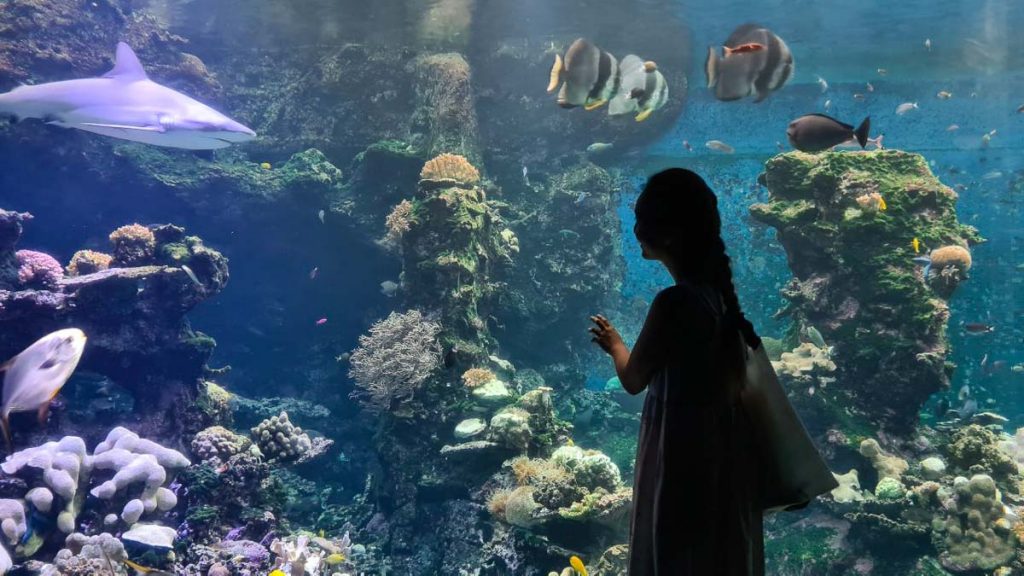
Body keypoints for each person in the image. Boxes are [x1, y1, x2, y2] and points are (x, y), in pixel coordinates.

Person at [588, 168, 765, 576]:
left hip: (679, 448)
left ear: (667, 233)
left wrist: (614, 344)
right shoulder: (716, 297)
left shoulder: (674, 302)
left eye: (643, 217)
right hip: (718, 446)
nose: (636, 227)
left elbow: (633, 381)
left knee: (673, 548)